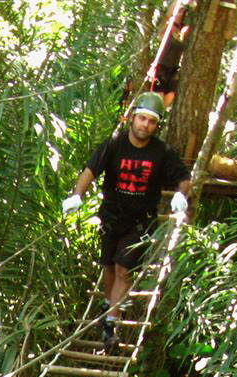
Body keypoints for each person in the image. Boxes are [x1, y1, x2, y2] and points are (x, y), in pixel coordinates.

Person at [60, 92, 192, 352]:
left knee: (123, 269)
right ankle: (109, 307)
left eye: (151, 122)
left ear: (156, 126)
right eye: (142, 119)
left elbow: (184, 176)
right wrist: (77, 195)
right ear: (133, 118)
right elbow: (91, 169)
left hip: (140, 222)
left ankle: (110, 324)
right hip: (111, 217)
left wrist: (181, 193)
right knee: (108, 267)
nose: (145, 125)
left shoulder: (161, 152)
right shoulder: (114, 144)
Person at [152, 3, 189, 108]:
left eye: (183, 11)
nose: (181, 13)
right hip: (161, 67)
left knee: (170, 97)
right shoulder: (166, 25)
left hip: (173, 68)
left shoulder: (184, 29)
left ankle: (158, 120)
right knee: (158, 98)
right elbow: (161, 31)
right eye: (179, 10)